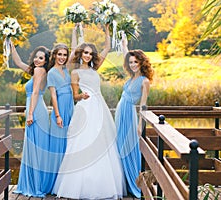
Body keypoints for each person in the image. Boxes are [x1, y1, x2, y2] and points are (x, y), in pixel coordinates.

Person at [52, 23, 126, 199]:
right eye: (85, 52)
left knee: (103, 143)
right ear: (80, 54)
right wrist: (81, 96)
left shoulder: (95, 68)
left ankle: (102, 185)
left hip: (99, 108)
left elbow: (107, 47)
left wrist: (108, 29)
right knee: (82, 142)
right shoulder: (75, 73)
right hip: (84, 108)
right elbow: (74, 96)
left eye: (90, 53)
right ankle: (79, 185)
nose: (87, 55)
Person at [115, 33, 154, 198]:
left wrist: (140, 124)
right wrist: (124, 44)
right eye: (130, 62)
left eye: (135, 62)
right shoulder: (131, 77)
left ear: (141, 63)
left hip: (130, 115)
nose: (132, 65)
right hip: (120, 113)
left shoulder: (144, 81)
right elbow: (126, 56)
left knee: (130, 147)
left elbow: (143, 105)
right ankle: (122, 181)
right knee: (118, 145)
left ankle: (134, 183)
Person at [10, 42, 52, 197]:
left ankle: (35, 185)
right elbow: (18, 62)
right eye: (36, 56)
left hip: (36, 111)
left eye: (41, 58)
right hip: (37, 109)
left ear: (46, 61)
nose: (37, 60)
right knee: (35, 147)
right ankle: (37, 182)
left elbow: (35, 92)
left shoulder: (39, 71)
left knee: (35, 147)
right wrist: (11, 45)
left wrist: (30, 114)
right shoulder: (38, 71)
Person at [44, 43, 74, 193]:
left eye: (64, 55)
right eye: (59, 54)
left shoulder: (66, 70)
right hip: (60, 108)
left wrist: (77, 27)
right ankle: (55, 184)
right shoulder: (51, 73)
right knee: (58, 144)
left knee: (70, 143)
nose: (62, 57)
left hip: (71, 107)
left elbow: (75, 49)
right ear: (54, 55)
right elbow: (53, 95)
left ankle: (67, 183)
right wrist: (57, 115)